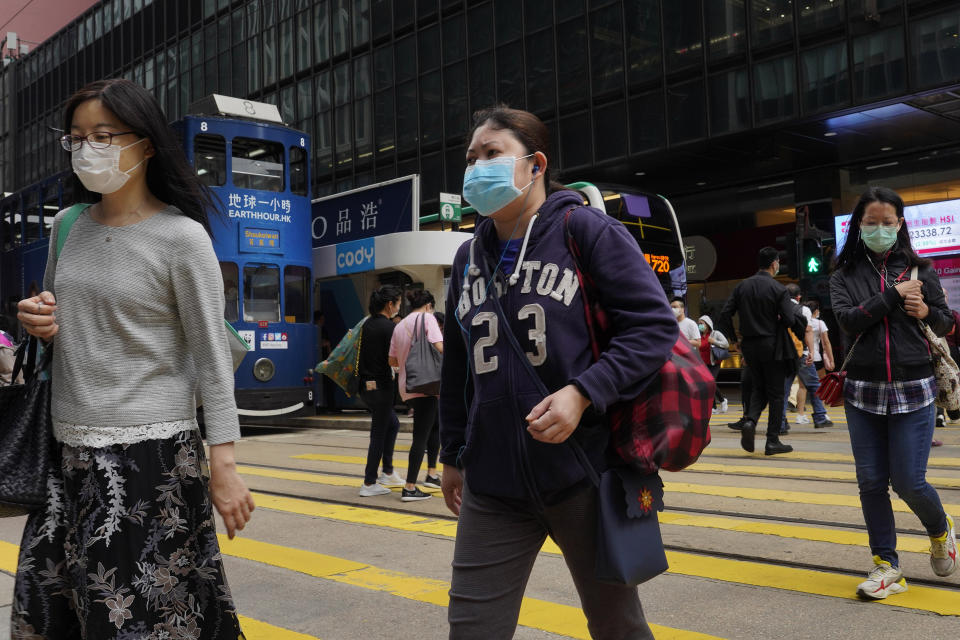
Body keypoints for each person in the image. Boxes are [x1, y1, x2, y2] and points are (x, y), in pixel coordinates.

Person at [13, 78, 253, 638]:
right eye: (75, 138)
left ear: (144, 144)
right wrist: (41, 322)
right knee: (54, 610)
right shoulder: (66, 226)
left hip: (152, 457)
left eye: (103, 135)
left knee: (136, 617)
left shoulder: (182, 237)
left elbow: (212, 357)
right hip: (65, 451)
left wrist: (224, 466)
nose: (86, 149)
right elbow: (58, 323)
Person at [439, 105, 676, 639]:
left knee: (617, 625)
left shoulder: (585, 231)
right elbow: (458, 363)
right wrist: (452, 452)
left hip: (583, 473)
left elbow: (653, 327)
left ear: (535, 164)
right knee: (472, 629)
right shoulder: (466, 258)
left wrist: (583, 393)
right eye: (471, 158)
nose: (476, 168)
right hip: (492, 482)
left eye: (492, 154)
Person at [830, 186, 958, 600]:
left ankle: (940, 529)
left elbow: (944, 324)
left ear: (900, 225)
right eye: (872, 223)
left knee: (908, 480)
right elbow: (849, 321)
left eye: (888, 222)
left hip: (913, 390)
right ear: (858, 226)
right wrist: (893, 296)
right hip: (863, 393)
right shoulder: (843, 275)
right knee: (870, 482)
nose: (880, 229)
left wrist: (927, 313)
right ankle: (887, 566)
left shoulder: (921, 269)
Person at [718, 247, 806, 455]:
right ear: (775, 264)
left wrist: (734, 340)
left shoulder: (742, 286)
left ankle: (750, 421)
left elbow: (724, 314)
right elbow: (788, 319)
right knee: (776, 394)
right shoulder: (778, 289)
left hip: (749, 346)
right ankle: (772, 440)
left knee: (759, 388)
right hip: (773, 346)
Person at [388, 288, 444, 501]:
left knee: (433, 427)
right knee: (420, 435)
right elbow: (440, 347)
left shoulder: (399, 325)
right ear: (429, 305)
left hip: (408, 384)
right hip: (426, 383)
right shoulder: (427, 319)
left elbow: (392, 361)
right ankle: (410, 487)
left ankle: (431, 474)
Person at [357, 284, 405, 497]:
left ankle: (387, 471)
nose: (399, 306)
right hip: (382, 388)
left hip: (367, 388)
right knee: (378, 433)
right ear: (390, 304)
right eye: (398, 302)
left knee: (392, 424)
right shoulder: (390, 328)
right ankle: (369, 483)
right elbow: (394, 359)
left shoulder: (367, 324)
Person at [697, 315, 728, 413]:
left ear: (707, 324)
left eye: (701, 323)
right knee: (707, 385)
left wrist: (714, 341)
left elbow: (726, 344)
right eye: (699, 324)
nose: (700, 325)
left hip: (714, 363)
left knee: (711, 382)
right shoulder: (700, 336)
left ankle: (723, 400)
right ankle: (713, 407)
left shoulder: (715, 334)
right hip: (704, 364)